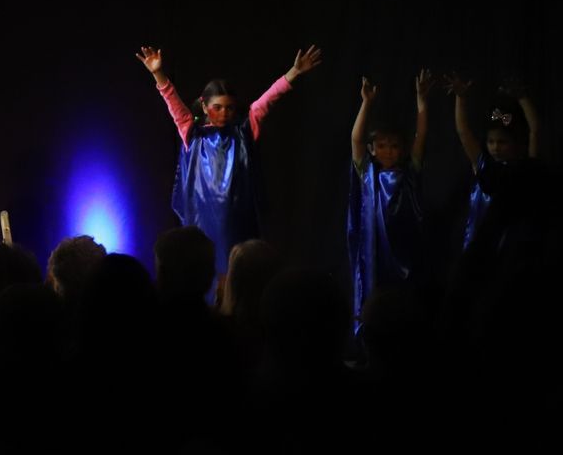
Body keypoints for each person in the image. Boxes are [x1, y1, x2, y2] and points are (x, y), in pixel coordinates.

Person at [134, 42, 322, 280]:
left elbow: (269, 99)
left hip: (238, 223)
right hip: (203, 223)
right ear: (204, 106)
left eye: (229, 108)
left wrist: (294, 73)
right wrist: (158, 73)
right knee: (205, 274)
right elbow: (172, 100)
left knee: (238, 275)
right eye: (217, 107)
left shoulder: (245, 130)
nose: (224, 113)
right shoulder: (192, 133)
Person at [347, 71, 432, 324]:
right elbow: (357, 138)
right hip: (375, 253)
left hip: (404, 254)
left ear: (403, 149)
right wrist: (367, 103)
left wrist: (421, 100)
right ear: (372, 150)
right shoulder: (366, 173)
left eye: (394, 146)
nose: (388, 151)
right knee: (375, 302)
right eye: (382, 146)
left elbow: (422, 136)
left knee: (402, 305)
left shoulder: (409, 173)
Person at [444, 73, 541, 249]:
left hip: (510, 244)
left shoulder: (525, 168)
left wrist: (523, 99)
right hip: (478, 243)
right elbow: (463, 132)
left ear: (515, 144)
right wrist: (460, 98)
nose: (495, 147)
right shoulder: (483, 164)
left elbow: (535, 132)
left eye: (501, 142)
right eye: (491, 142)